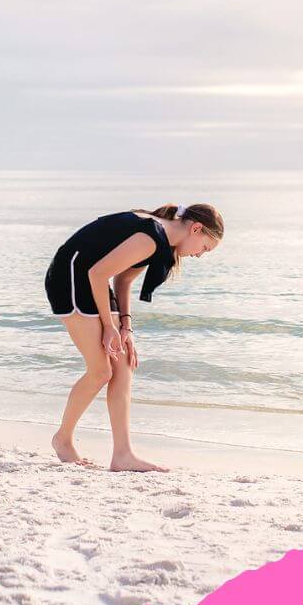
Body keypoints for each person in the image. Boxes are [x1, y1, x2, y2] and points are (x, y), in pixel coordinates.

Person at [44, 202, 224, 472]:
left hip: (92, 280)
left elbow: (123, 281)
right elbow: (96, 273)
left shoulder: (162, 240)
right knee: (100, 371)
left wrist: (125, 327)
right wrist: (108, 326)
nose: (200, 255)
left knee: (124, 361)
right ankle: (63, 439)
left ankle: (123, 455)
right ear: (196, 229)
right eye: (205, 248)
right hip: (70, 277)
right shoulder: (151, 236)